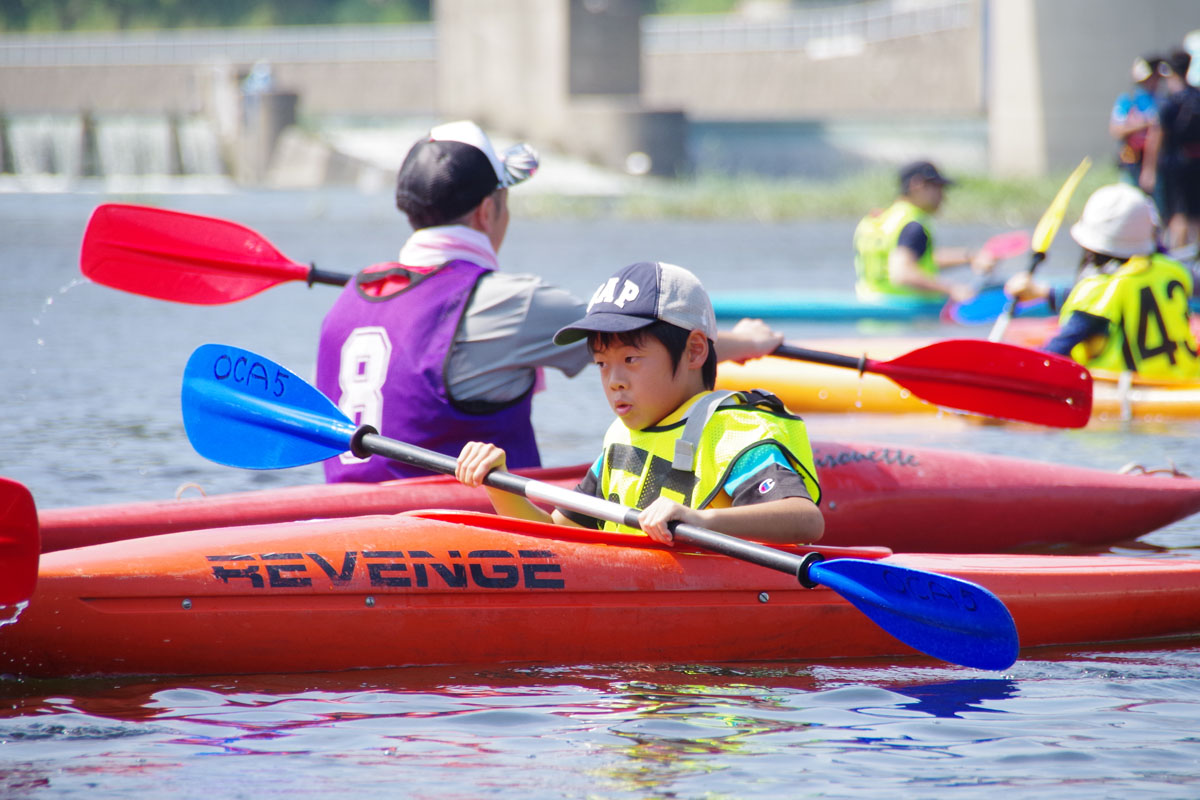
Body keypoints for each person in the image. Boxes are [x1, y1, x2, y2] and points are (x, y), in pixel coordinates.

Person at [316, 121, 785, 483]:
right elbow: (650, 341)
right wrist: (751, 339)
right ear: (488, 210)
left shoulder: (349, 299)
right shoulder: (513, 302)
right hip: (458, 535)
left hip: (341, 519)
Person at [455, 261, 825, 546]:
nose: (614, 380)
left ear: (695, 350)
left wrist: (701, 521)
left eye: (631, 360)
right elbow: (557, 536)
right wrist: (499, 484)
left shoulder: (736, 434)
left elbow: (804, 519)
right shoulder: (622, 438)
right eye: (602, 363)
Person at [1005, 183, 1199, 380]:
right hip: (1186, 379)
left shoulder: (1097, 292)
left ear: (1091, 247)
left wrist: (1012, 369)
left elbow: (1055, 352)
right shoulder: (1173, 269)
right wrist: (1043, 292)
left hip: (1133, 393)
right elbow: (1121, 292)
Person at [853, 160, 997, 305]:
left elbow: (914, 258)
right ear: (917, 185)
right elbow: (902, 274)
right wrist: (952, 289)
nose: (943, 197)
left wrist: (969, 257)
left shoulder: (876, 220)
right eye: (938, 188)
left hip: (867, 305)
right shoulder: (913, 225)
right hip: (904, 314)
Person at [1141, 49, 1200, 252]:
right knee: (1197, 212)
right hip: (1197, 161)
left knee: (1178, 214)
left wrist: (1149, 170)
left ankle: (1179, 256)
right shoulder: (1197, 97)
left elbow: (1156, 137)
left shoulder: (1169, 103)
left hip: (1175, 164)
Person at [1110, 54, 1162, 191]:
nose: (1155, 82)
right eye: (1152, 78)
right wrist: (1146, 123)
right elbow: (1116, 130)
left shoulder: (1161, 100)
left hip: (1158, 163)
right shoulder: (1128, 100)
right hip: (1132, 160)